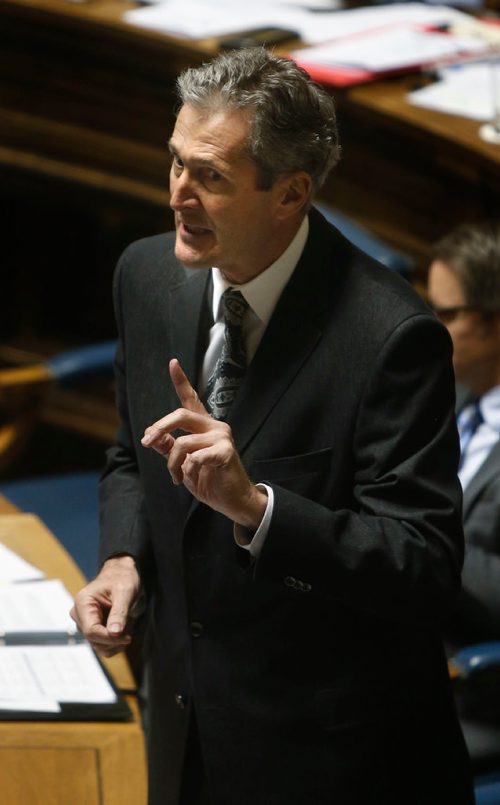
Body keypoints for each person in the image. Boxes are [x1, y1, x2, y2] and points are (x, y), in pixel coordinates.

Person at [71, 47, 474, 805]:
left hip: (330, 758)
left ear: (290, 193)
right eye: (175, 162)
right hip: (183, 720)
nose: (177, 195)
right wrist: (124, 557)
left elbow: (421, 567)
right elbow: (130, 453)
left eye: (210, 177)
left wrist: (256, 508)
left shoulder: (392, 337)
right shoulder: (147, 275)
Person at [428, 220, 500, 651]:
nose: (429, 325)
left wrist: (416, 534)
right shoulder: (441, 396)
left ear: (496, 321)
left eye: (447, 315)